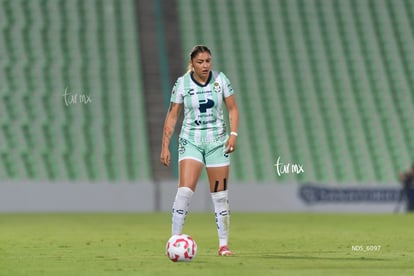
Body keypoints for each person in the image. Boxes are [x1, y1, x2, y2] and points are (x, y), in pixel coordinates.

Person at [160, 45, 239, 256]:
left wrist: (233, 134)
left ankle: (223, 245)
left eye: (208, 61)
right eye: (200, 62)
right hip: (191, 141)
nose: (205, 65)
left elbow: (232, 108)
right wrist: (165, 145)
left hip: (217, 142)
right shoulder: (182, 83)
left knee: (220, 196)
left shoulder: (220, 80)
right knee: (184, 191)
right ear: (192, 64)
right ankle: (174, 240)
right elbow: (173, 114)